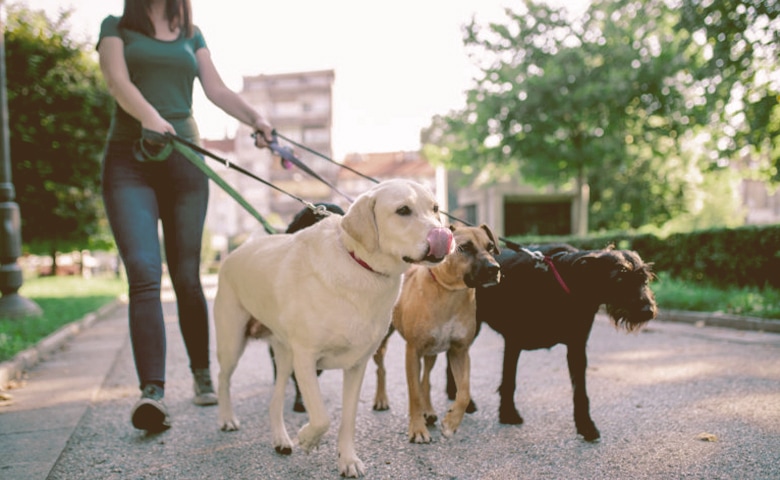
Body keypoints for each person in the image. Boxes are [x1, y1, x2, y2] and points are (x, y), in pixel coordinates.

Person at [96, 0, 274, 433]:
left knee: (186, 274)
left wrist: (256, 118)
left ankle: (201, 374)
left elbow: (215, 90)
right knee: (143, 271)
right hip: (130, 159)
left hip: (184, 160)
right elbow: (118, 82)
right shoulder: (115, 26)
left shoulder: (191, 32)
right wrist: (151, 117)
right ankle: (152, 394)